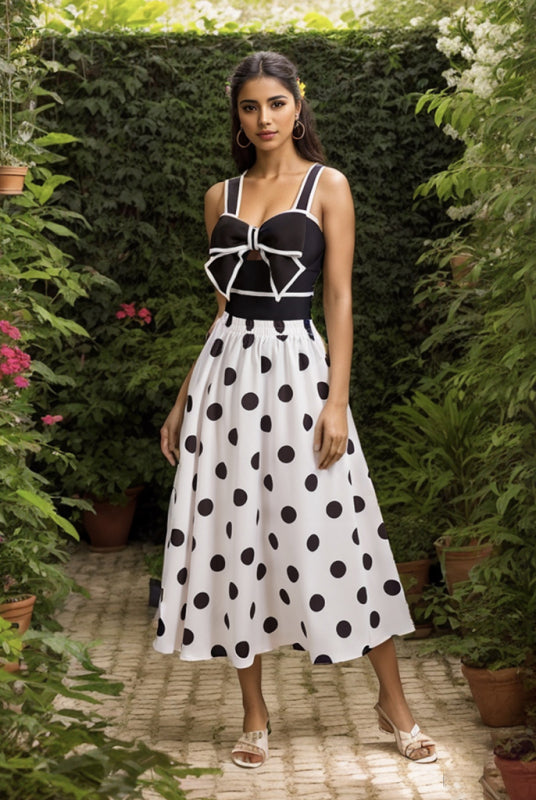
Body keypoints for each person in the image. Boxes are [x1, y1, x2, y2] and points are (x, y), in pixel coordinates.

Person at [154, 50, 437, 769]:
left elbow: (338, 298)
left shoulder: (327, 185)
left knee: (341, 530)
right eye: (249, 107)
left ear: (298, 104)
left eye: (276, 103)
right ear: (237, 115)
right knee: (233, 536)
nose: (264, 119)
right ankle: (254, 715)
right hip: (226, 382)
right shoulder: (220, 196)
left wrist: (337, 400)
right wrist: (183, 401)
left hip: (300, 376)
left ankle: (396, 706)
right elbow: (224, 310)